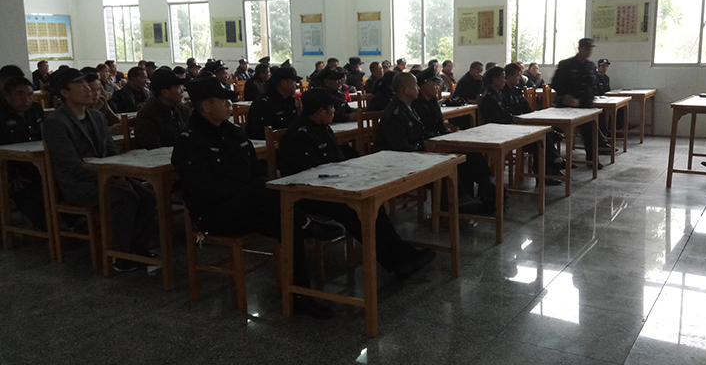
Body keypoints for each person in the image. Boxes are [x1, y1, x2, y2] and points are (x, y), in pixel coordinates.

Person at [171, 78, 342, 319]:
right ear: (206, 106)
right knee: (271, 197)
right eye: (223, 101)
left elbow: (254, 169)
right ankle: (306, 226)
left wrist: (250, 189)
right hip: (215, 213)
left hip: (249, 204)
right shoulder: (189, 141)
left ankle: (299, 295)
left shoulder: (233, 133)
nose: (229, 105)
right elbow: (203, 190)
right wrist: (247, 189)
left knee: (286, 221)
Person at [278, 88, 436, 279]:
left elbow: (336, 159)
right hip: (308, 195)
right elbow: (308, 175)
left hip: (333, 186)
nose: (334, 111)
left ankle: (402, 254)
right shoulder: (300, 135)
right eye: (331, 108)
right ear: (319, 111)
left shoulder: (322, 127)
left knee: (373, 204)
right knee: (355, 210)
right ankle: (395, 261)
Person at [43, 68, 158, 272]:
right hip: (80, 184)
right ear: (65, 92)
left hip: (107, 176)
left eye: (87, 84)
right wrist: (109, 176)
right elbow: (71, 165)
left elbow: (111, 150)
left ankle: (137, 249)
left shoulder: (96, 116)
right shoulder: (56, 123)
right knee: (127, 198)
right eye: (80, 85)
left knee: (148, 196)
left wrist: (117, 174)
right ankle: (119, 256)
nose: (88, 89)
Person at [412, 66, 499, 209]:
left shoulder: (432, 101)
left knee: (470, 151)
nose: (437, 86)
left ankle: (484, 187)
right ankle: (460, 198)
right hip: (429, 145)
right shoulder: (415, 105)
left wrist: (446, 132)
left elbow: (439, 124)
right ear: (422, 85)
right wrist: (441, 135)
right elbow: (421, 131)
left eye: (437, 83)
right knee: (459, 159)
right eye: (433, 83)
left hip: (440, 140)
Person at [499, 63, 566, 183]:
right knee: (542, 138)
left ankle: (549, 169)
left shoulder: (516, 90)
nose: (519, 78)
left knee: (545, 135)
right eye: (517, 75)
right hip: (513, 128)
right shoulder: (502, 93)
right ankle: (549, 168)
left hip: (522, 124)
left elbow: (526, 108)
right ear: (508, 76)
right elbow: (508, 114)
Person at [551, 38, 612, 168]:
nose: (588, 52)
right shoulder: (566, 64)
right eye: (585, 49)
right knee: (556, 131)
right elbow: (555, 83)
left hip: (583, 105)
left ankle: (592, 159)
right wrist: (565, 96)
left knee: (591, 130)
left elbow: (591, 87)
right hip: (565, 105)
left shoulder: (590, 66)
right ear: (579, 49)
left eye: (590, 49)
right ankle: (557, 159)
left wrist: (587, 100)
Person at [0, 76, 47, 229]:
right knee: (26, 189)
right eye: (20, 94)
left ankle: (73, 222)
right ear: (7, 95)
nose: (26, 100)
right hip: (9, 169)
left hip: (37, 164)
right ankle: (46, 228)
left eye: (30, 95)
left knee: (56, 183)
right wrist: (12, 175)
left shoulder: (35, 109)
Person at [134, 69, 191, 150]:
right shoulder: (147, 115)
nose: (182, 91)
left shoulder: (183, 110)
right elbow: (152, 147)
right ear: (165, 92)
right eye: (177, 87)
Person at [245, 66, 302, 139]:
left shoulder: (289, 100)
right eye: (294, 82)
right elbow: (260, 132)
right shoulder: (264, 103)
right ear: (284, 83)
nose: (296, 85)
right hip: (266, 142)